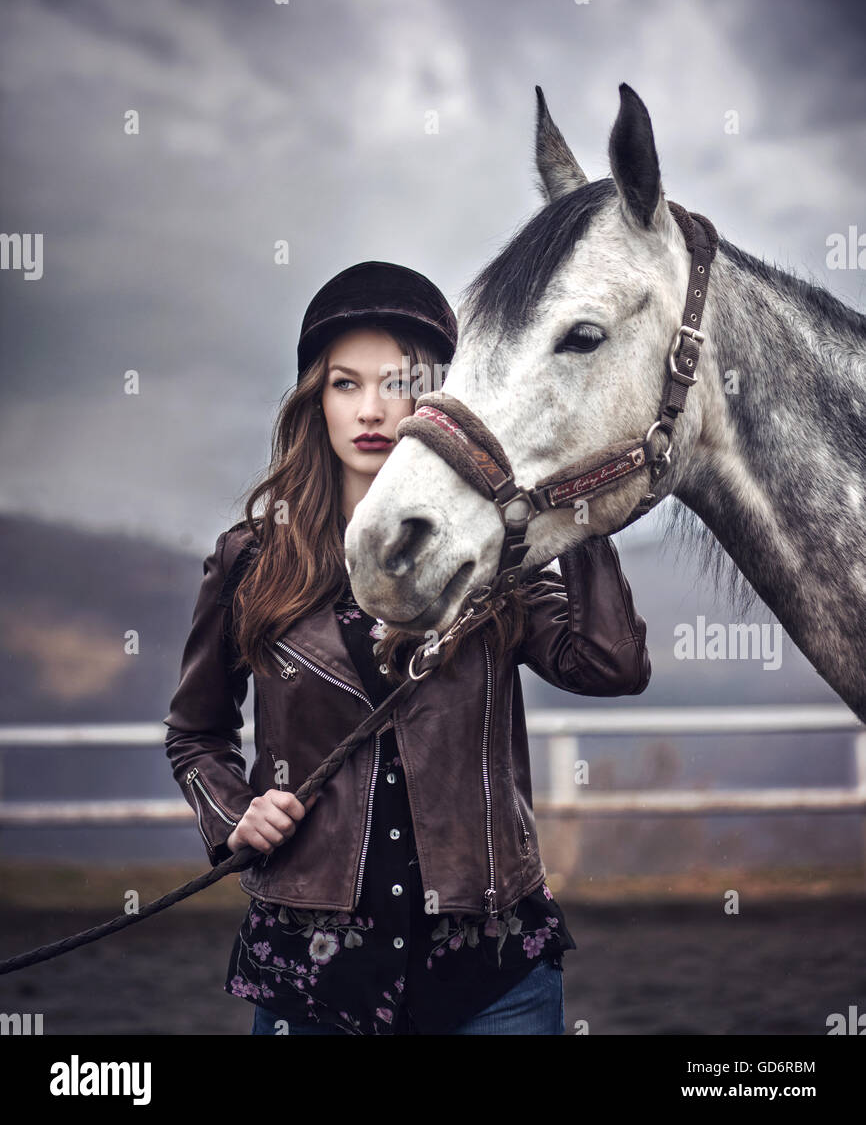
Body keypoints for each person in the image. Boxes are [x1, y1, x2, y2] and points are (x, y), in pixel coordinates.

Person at [164, 260, 651, 1036]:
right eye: (344, 384)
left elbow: (610, 665)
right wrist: (233, 816)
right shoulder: (250, 560)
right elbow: (196, 735)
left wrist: (578, 515)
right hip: (312, 972)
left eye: (398, 384)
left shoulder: (495, 557)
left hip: (493, 975)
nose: (371, 410)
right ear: (314, 401)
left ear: (440, 404)